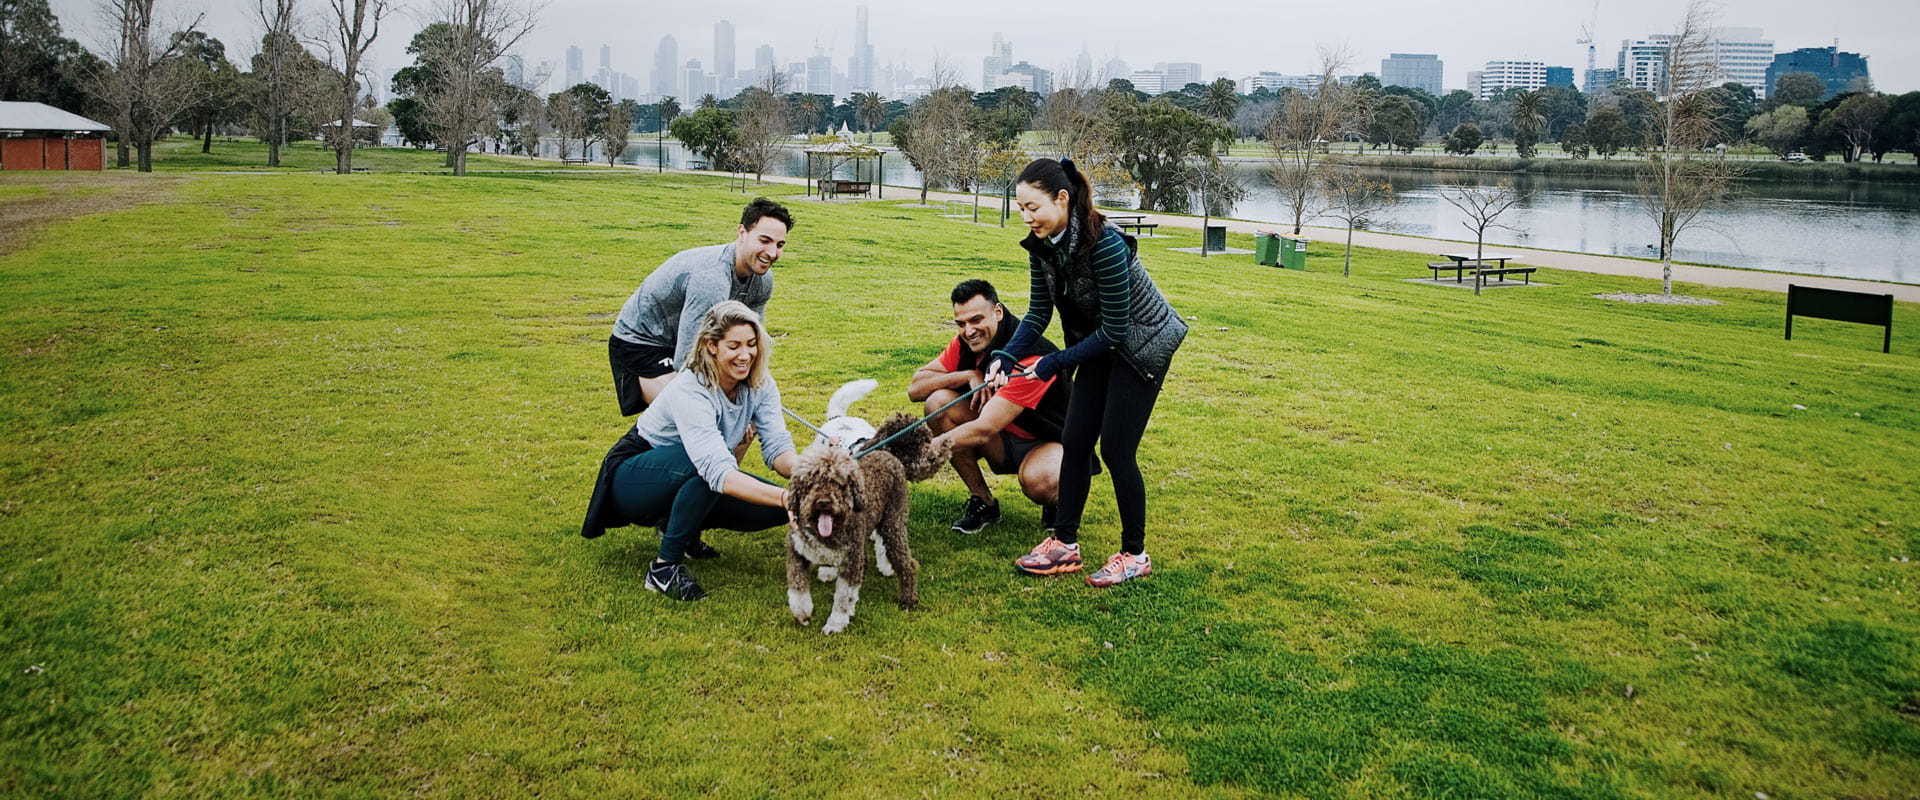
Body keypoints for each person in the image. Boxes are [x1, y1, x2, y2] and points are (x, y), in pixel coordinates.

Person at [987, 157, 1187, 588]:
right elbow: (1039, 312)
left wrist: (1052, 363)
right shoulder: (1041, 247)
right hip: (1095, 344)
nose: (1026, 217)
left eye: (1033, 208)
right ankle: (1064, 544)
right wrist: (1004, 355)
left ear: (1062, 199)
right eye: (1020, 208)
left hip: (1140, 348)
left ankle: (1135, 554)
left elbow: (1117, 330)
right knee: (1075, 440)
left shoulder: (1106, 245)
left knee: (1116, 450)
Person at [581, 301, 797, 601]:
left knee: (776, 510)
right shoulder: (691, 388)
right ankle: (663, 569)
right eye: (733, 345)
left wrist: (812, 477)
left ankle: (680, 527)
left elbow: (777, 448)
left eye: (751, 344)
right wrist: (788, 497)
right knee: (711, 471)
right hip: (631, 477)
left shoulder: (761, 384)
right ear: (711, 345)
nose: (745, 354)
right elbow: (717, 470)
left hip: (692, 470)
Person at [908, 279, 1078, 535]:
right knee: (938, 403)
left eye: (976, 320)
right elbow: (916, 388)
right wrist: (965, 375)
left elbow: (984, 429)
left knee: (1040, 482)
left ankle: (1058, 501)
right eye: (961, 323)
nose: (969, 331)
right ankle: (983, 502)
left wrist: (920, 452)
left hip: (1047, 442)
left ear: (998, 312)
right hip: (1003, 438)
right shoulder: (966, 342)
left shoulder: (1029, 355)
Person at [608, 197, 793, 417]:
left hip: (678, 340)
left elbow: (752, 345)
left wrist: (756, 398)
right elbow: (689, 359)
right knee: (700, 414)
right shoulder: (711, 280)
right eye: (764, 240)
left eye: (779, 245)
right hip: (640, 344)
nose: (772, 253)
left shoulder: (762, 281)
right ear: (742, 233)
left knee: (742, 416)